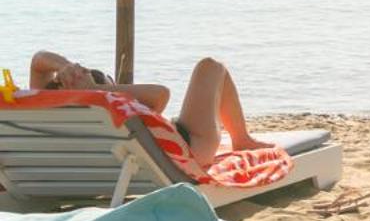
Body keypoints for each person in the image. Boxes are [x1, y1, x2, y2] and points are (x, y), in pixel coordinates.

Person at [29, 51, 266, 171]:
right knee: (211, 66)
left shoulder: (46, 106)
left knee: (211, 72)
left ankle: (241, 138)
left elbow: (38, 60)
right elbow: (161, 95)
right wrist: (95, 90)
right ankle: (241, 139)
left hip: (120, 160)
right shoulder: (114, 104)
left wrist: (65, 67)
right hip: (188, 149)